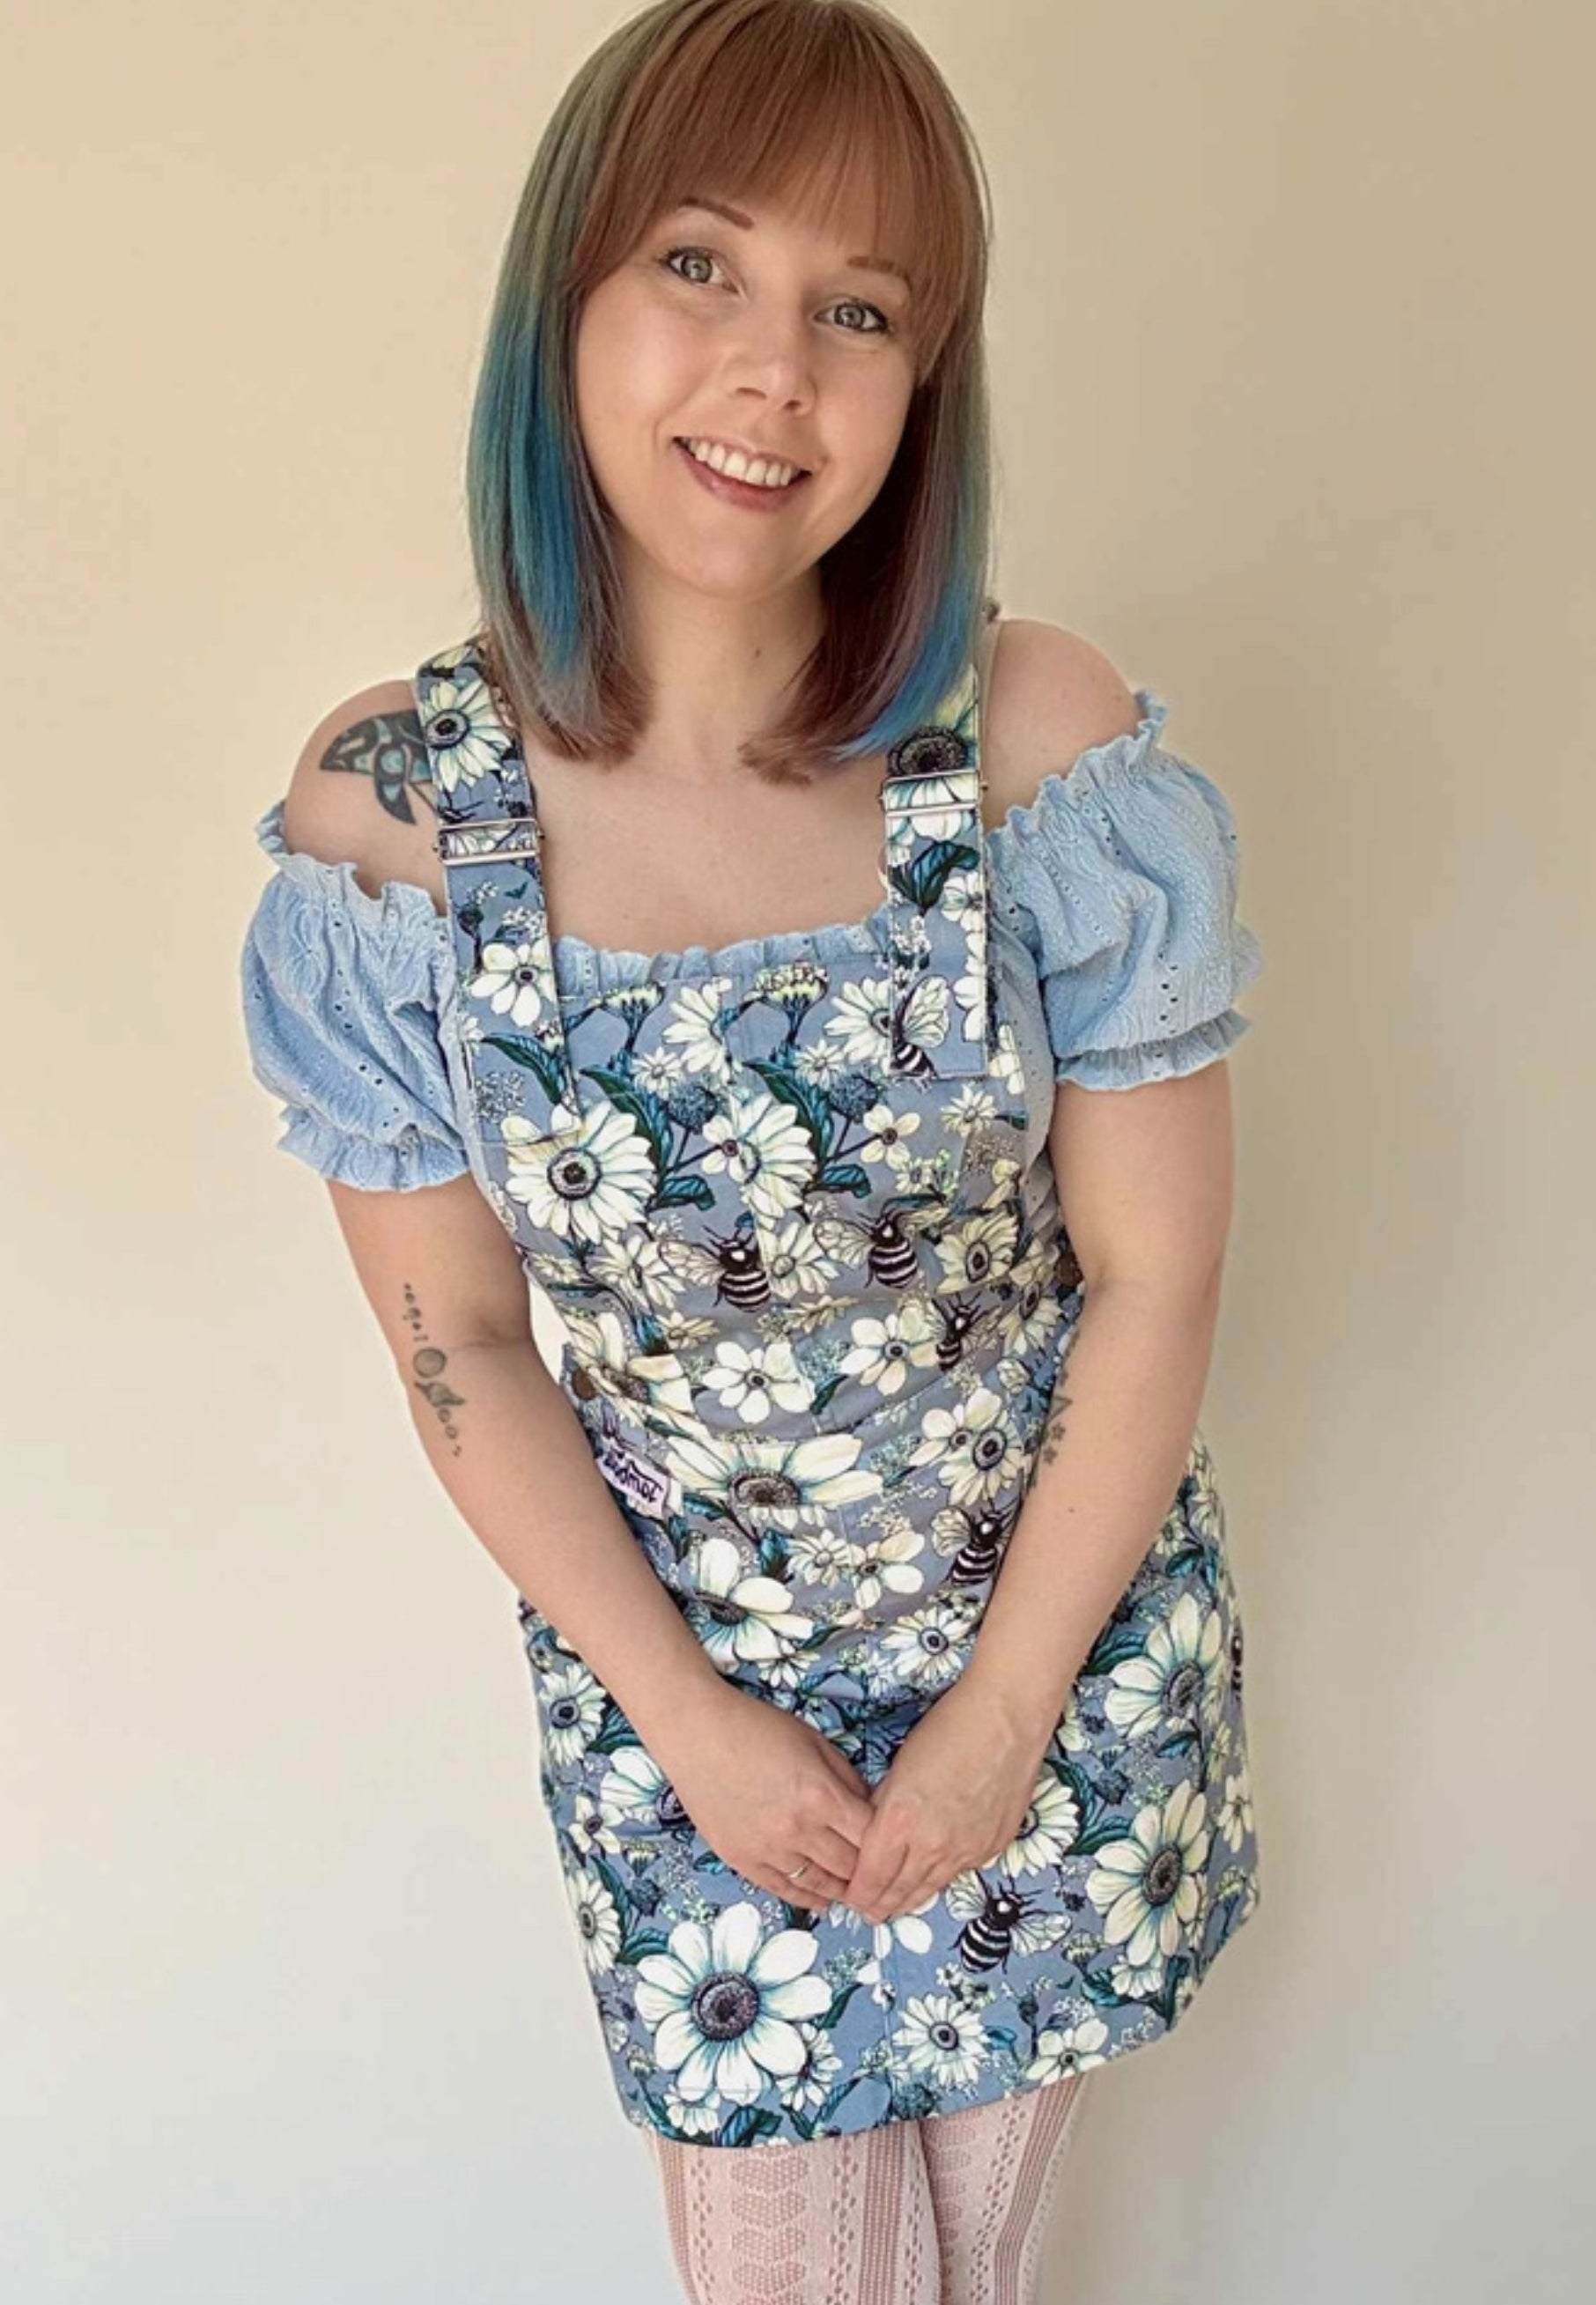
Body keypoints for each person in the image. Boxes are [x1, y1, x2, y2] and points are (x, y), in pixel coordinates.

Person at [238, 3, 1266, 2297]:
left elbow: (1155, 1276)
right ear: (568, 298)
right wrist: (690, 1721)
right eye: (699, 265)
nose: (772, 369)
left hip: (1059, 1669)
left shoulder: (1035, 751)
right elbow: (460, 1348)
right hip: (680, 1706)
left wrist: (1002, 1721)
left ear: (928, 380)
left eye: (859, 307)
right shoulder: (393, 818)